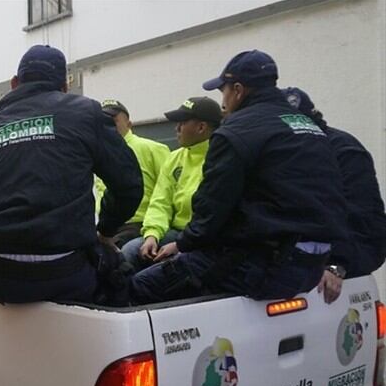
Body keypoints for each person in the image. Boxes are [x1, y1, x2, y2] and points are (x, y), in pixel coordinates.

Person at [131, 50, 347, 304]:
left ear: (237, 90)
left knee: (139, 286)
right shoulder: (310, 128)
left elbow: (212, 207)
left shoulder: (236, 131)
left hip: (259, 265)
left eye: (222, 91)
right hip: (311, 266)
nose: (222, 100)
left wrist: (182, 245)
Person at [0, 45, 143, 304]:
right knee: (122, 272)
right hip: (65, 273)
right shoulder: (86, 113)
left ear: (14, 84)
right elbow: (129, 185)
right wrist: (106, 231)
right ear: (64, 87)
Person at [281, 87, 386, 303]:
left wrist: (337, 264)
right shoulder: (293, 151)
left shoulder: (344, 150)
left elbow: (359, 216)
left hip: (354, 251)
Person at [121, 97, 222, 269]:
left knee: (149, 276)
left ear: (201, 127)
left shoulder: (220, 158)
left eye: (182, 123)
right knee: (129, 252)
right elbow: (161, 202)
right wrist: (152, 235)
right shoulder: (175, 158)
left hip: (204, 238)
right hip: (174, 233)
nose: (176, 128)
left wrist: (180, 245)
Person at [94, 99, 171, 246]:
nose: (108, 125)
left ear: (129, 124)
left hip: (139, 224)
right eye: (103, 120)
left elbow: (168, 190)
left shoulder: (152, 149)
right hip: (106, 225)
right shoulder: (99, 152)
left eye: (114, 120)